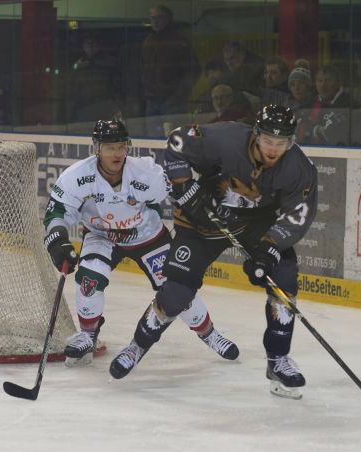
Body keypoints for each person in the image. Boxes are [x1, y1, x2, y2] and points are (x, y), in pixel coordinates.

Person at [110, 105, 318, 401]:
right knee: (176, 294)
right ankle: (137, 345)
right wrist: (188, 191)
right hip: (203, 218)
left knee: (284, 281)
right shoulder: (227, 138)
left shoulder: (299, 168)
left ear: (291, 142)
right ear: (257, 134)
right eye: (268, 141)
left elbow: (298, 215)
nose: (273, 149)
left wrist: (269, 250)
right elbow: (177, 142)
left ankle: (278, 361)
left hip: (256, 224)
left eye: (281, 143)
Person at [42, 118, 239, 366]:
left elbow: (181, 189)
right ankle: (88, 334)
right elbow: (57, 211)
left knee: (177, 290)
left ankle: (209, 334)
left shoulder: (145, 172)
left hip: (147, 235)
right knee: (90, 279)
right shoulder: (77, 176)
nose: (117, 153)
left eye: (121, 146)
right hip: (101, 235)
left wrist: (205, 196)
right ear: (97, 148)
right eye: (110, 147)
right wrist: (58, 240)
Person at [141, 5, 198, 137]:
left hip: (172, 101)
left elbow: (193, 70)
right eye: (152, 18)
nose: (155, 21)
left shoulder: (179, 41)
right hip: (152, 99)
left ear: (168, 19)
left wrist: (178, 95)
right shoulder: (148, 41)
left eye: (158, 18)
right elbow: (143, 68)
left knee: (175, 138)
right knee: (152, 139)